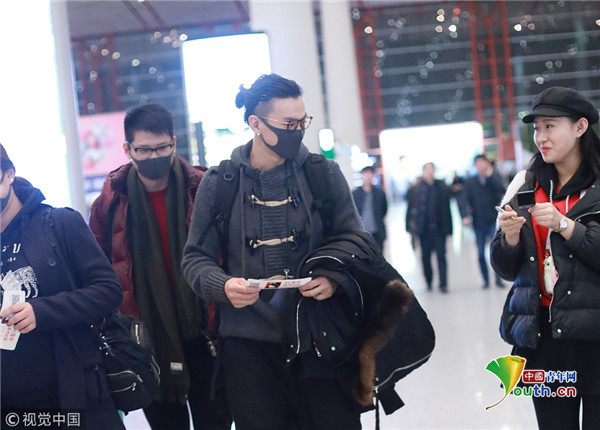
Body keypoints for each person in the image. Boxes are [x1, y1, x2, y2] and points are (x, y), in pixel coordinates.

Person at [182, 73, 364, 430]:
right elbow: (194, 258)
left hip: (318, 335)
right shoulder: (219, 184)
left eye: (302, 122)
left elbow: (356, 241)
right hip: (247, 346)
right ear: (256, 124)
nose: (298, 131)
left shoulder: (323, 174)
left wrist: (333, 277)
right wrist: (223, 285)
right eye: (288, 124)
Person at [89, 103, 231, 430]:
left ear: (174, 143)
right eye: (144, 149)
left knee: (216, 421)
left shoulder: (204, 189)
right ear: (128, 149)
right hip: (147, 339)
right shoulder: (110, 203)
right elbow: (98, 271)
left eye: (161, 147)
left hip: (207, 331)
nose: (154, 156)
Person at [491, 86, 600, 429]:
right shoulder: (525, 185)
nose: (541, 137)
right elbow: (505, 268)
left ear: (580, 127)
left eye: (550, 126)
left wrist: (564, 225)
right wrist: (510, 239)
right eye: (537, 128)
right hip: (547, 336)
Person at [0, 144, 125, 429]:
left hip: (71, 394)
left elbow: (108, 290)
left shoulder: (59, 223)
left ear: (9, 174)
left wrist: (41, 311)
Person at [459, 154, 506, 288]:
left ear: (487, 164)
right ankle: (485, 279)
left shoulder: (494, 178)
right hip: (478, 222)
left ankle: (498, 278)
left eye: (482, 163)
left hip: (493, 221)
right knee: (480, 253)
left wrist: (490, 177)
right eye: (477, 163)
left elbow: (502, 190)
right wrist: (465, 216)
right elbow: (463, 200)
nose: (480, 166)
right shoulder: (470, 182)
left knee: (495, 250)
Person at [405, 162, 452, 292]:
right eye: (427, 169)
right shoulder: (416, 190)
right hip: (424, 230)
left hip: (439, 229)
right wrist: (409, 227)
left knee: (441, 256)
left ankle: (443, 283)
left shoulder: (441, 187)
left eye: (431, 169)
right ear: (423, 172)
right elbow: (410, 209)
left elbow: (446, 209)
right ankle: (429, 281)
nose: (429, 172)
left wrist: (449, 229)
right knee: (425, 258)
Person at [352, 165, 388, 250]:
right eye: (365, 174)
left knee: (378, 254)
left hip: (377, 232)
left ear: (373, 176)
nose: (367, 177)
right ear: (361, 176)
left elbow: (384, 210)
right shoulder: (355, 194)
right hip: (362, 233)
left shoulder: (380, 193)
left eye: (370, 174)